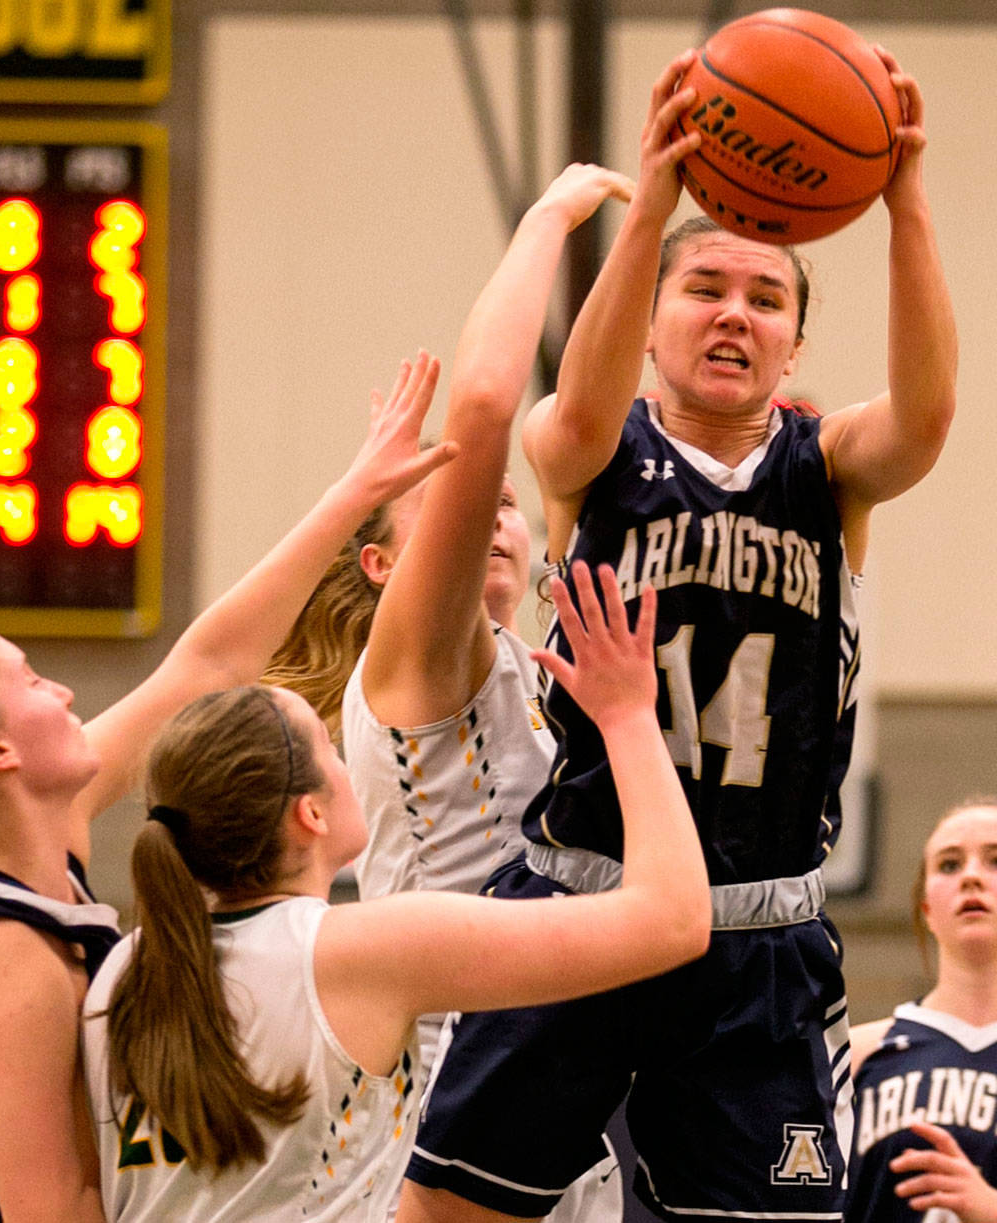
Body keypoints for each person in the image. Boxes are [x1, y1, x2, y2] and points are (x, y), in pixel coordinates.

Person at [398, 42, 957, 1223]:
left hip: (759, 933)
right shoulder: (587, 450)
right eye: (703, 290)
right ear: (647, 322)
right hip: (581, 906)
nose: (734, 314)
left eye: (766, 300)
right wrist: (651, 194)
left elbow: (924, 416)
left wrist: (903, 201)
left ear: (793, 347)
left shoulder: (828, 470)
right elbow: (575, 404)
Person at [0, 361, 456, 1223]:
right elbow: (55, 1211)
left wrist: (353, 490)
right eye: (30, 679)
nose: (63, 692)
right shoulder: (10, 965)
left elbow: (207, 666)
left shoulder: (14, 825)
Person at [83, 561, 711, 1222]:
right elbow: (673, 920)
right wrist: (629, 716)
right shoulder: (362, 951)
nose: (344, 757)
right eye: (328, 748)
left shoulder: (120, 973)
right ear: (311, 814)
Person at [341, 164, 633, 1219]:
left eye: (509, 506)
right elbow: (485, 406)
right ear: (382, 567)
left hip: (555, 1074)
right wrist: (553, 217)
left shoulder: (543, 657)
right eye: (469, 501)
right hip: (447, 1077)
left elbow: (589, 442)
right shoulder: (419, 661)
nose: (493, 513)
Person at [847, 799, 997, 1223]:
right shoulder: (856, 1054)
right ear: (926, 909)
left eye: (994, 860)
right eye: (949, 865)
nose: (970, 876)